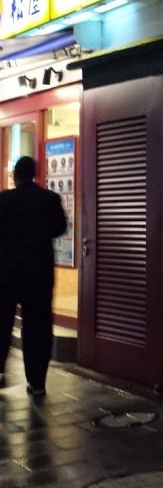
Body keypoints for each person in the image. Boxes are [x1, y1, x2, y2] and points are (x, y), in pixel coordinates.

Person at [0, 156, 67, 397]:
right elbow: (60, 228)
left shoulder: (3, 200)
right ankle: (37, 382)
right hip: (39, 272)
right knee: (37, 326)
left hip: (6, 272)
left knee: (2, 322)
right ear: (35, 175)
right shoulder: (50, 199)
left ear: (15, 176)